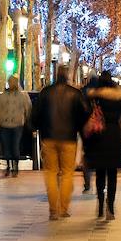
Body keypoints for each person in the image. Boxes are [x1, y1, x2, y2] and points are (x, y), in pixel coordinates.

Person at [31, 65, 90, 221]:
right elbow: (84, 114)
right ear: (68, 76)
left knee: (51, 173)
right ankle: (63, 208)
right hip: (69, 139)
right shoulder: (75, 94)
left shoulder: (45, 93)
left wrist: (37, 127)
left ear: (55, 75)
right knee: (67, 173)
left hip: (49, 138)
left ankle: (53, 210)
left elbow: (35, 115)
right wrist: (79, 129)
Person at [83, 74, 121, 222]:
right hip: (114, 137)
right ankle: (110, 207)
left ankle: (100, 206)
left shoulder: (94, 97)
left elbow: (85, 116)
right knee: (112, 174)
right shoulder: (119, 98)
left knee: (100, 173)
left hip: (98, 137)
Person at [0, 76, 31, 176]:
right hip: (5, 125)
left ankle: (15, 166)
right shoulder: (4, 96)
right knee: (6, 148)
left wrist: (27, 119)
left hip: (17, 125)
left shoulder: (22, 95)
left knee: (15, 146)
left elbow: (28, 108)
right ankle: (9, 166)